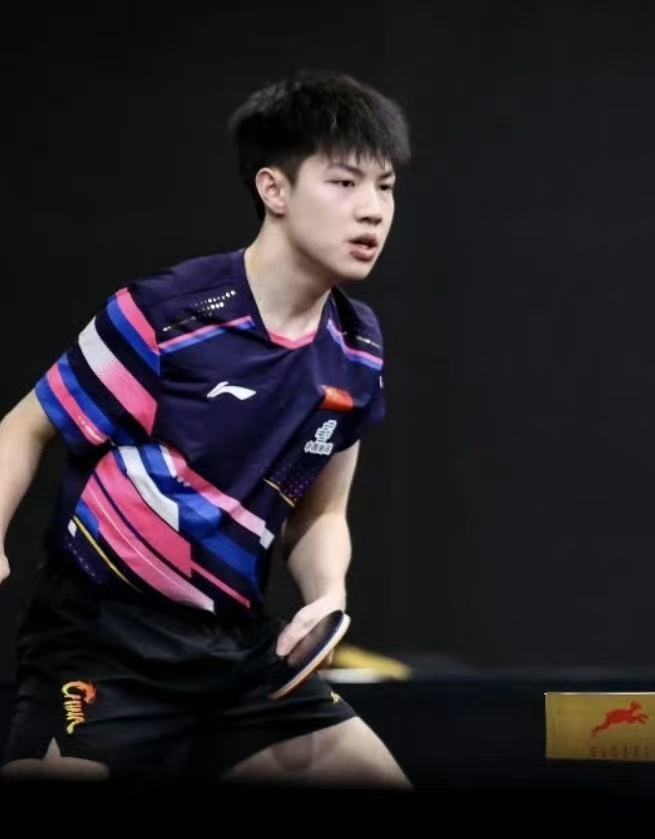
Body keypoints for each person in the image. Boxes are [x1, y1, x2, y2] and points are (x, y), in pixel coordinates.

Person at [0, 70, 412, 786]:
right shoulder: (167, 316)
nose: (372, 210)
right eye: (345, 183)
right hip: (103, 646)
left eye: (385, 187)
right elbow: (24, 427)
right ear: (273, 189)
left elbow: (321, 512)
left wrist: (327, 597)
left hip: (237, 654)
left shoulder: (357, 347)